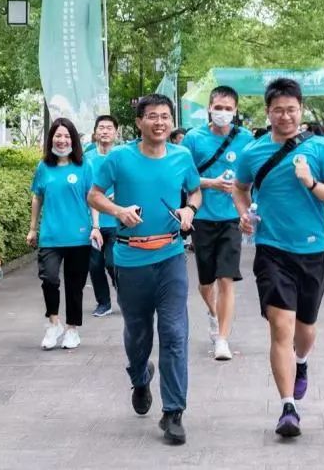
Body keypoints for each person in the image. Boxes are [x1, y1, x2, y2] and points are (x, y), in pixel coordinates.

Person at [233, 78, 324, 438]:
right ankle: (287, 407)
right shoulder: (253, 152)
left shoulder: (321, 148)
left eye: (291, 109)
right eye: (278, 109)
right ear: (268, 112)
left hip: (312, 251)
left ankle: (302, 363)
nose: (285, 115)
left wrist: (311, 183)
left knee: (305, 331)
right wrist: (243, 213)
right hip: (271, 251)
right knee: (281, 328)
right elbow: (240, 186)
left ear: (301, 109)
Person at [87, 94, 201, 446]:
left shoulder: (182, 156)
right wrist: (118, 210)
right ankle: (139, 377)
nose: (160, 122)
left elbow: (195, 192)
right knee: (138, 334)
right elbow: (94, 195)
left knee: (174, 332)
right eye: (152, 116)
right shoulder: (120, 158)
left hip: (170, 256)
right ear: (139, 122)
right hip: (131, 259)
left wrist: (189, 212)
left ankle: (173, 411)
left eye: (165, 116)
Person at [181, 86, 252, 362]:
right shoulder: (194, 139)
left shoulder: (245, 139)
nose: (223, 112)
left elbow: (252, 176)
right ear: (209, 108)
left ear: (235, 111)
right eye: (218, 107)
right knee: (206, 281)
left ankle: (222, 339)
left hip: (232, 218)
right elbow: (183, 175)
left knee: (227, 279)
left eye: (228, 108)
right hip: (202, 217)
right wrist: (211, 183)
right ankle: (212, 313)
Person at [28, 118, 96, 350]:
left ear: (73, 139)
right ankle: (53, 322)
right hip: (50, 236)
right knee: (49, 278)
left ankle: (72, 329)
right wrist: (32, 228)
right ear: (51, 139)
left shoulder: (84, 165)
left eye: (67, 136)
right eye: (58, 135)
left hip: (79, 235)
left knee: (74, 285)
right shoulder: (43, 167)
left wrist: (96, 227)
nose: (62, 139)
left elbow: (92, 198)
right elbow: (37, 197)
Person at [85, 115, 119, 317]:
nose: (105, 131)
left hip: (116, 220)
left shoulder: (122, 155)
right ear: (96, 132)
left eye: (109, 128)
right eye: (101, 128)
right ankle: (103, 303)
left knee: (113, 263)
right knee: (95, 265)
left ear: (116, 132)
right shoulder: (87, 158)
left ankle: (124, 295)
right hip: (92, 223)